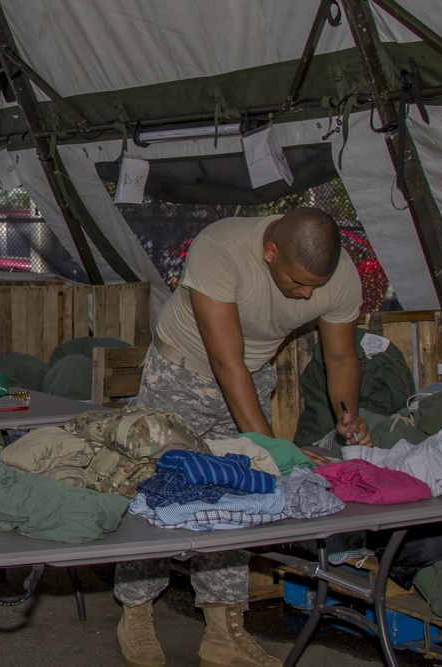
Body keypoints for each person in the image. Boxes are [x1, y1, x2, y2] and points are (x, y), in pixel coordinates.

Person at [115, 207, 373, 667]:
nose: (307, 294)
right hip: (180, 376)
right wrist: (276, 453)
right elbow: (225, 361)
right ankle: (136, 611)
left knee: (240, 500)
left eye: (316, 285)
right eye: (299, 282)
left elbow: (340, 357)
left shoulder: (337, 275)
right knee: (158, 491)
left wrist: (347, 415)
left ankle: (223, 631)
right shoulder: (221, 248)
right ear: (270, 252)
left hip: (251, 378)